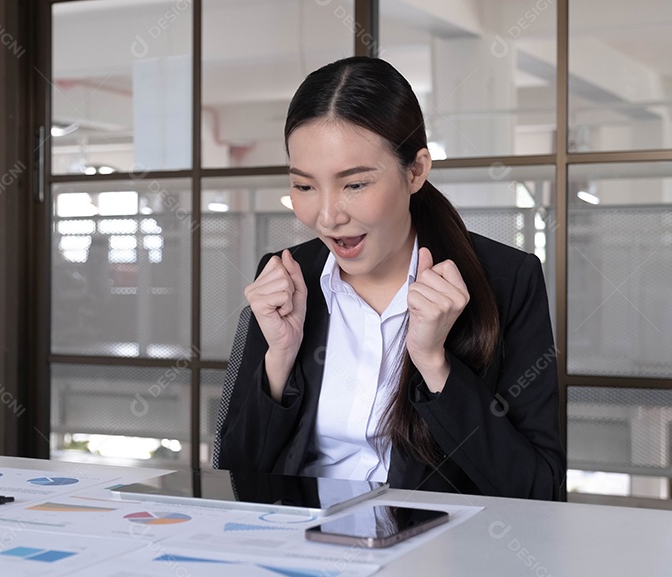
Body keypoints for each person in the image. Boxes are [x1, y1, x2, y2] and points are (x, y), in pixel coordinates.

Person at [214, 56, 565, 500]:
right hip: (304, 549)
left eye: (355, 184)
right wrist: (280, 358)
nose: (327, 217)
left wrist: (434, 363)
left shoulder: (506, 279)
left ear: (415, 171)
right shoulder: (289, 276)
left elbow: (537, 489)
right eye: (304, 186)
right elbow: (234, 474)